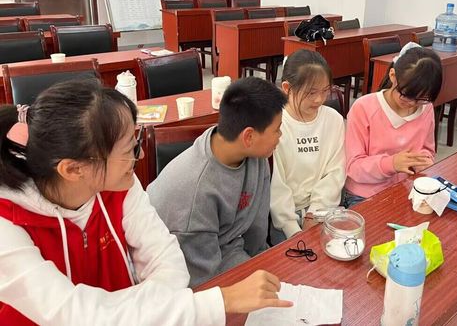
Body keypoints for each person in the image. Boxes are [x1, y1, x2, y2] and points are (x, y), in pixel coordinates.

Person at [0, 79, 291, 326]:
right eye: (129, 149)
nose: (139, 156)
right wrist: (217, 302)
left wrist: (134, 312)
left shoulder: (119, 184)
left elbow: (170, 263)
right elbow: (77, 315)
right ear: (74, 169)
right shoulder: (7, 223)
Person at [148, 77, 287, 286]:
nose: (280, 135)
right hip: (182, 270)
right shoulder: (194, 193)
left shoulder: (256, 155)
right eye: (277, 130)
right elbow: (202, 283)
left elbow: (257, 233)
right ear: (249, 137)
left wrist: (261, 266)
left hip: (227, 249)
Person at [344, 43, 443, 207]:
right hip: (365, 195)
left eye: (421, 99)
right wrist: (392, 164)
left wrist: (422, 161)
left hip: (406, 189)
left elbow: (428, 150)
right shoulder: (364, 108)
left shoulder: (426, 108)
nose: (412, 104)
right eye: (406, 95)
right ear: (392, 76)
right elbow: (354, 167)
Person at [270, 50, 346, 243]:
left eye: (325, 90)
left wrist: (315, 213)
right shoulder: (275, 124)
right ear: (287, 88)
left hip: (324, 210)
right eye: (311, 92)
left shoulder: (334, 120)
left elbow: (335, 173)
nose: (319, 99)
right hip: (284, 217)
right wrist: (292, 229)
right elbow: (276, 186)